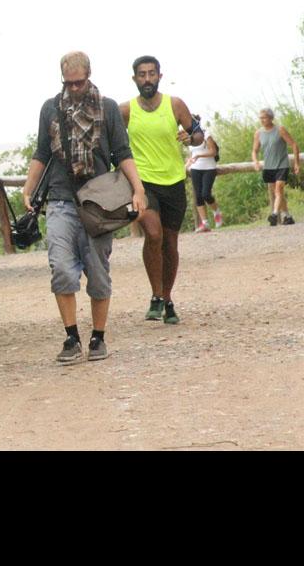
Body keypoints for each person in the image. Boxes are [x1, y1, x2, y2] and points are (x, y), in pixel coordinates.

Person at [22, 51, 147, 365]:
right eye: (69, 83)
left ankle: (98, 337)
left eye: (79, 82)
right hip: (60, 199)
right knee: (61, 268)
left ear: (88, 76)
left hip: (100, 202)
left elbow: (122, 152)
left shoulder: (108, 108)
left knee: (98, 272)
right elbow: (41, 152)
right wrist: (28, 187)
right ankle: (71, 336)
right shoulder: (50, 108)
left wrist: (138, 189)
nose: (75, 88)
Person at [120, 55, 204, 325]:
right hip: (143, 183)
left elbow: (198, 134)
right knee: (153, 234)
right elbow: (111, 140)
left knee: (170, 242)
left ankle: (167, 299)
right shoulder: (126, 110)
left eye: (151, 74)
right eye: (142, 74)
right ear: (134, 79)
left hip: (173, 181)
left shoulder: (175, 104)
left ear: (159, 76)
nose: (147, 79)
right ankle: (156, 294)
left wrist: (190, 137)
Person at [252, 108, 300, 226]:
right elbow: (254, 150)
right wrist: (256, 161)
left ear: (271, 118)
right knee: (278, 193)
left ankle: (274, 215)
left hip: (282, 165)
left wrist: (296, 163)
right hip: (268, 167)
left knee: (278, 190)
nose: (262, 120)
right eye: (260, 118)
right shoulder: (258, 133)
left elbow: (294, 145)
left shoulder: (280, 129)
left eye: (264, 118)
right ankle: (288, 217)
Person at [185, 114, 223, 232]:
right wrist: (188, 162)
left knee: (206, 194)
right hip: (195, 168)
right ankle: (205, 223)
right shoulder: (189, 138)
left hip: (209, 168)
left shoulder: (206, 134)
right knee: (198, 196)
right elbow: (192, 154)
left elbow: (213, 151)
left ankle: (217, 212)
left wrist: (199, 155)